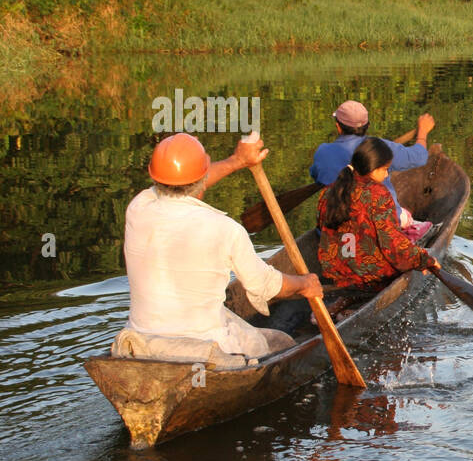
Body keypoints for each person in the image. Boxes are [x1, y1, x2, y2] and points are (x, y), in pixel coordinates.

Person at [112, 132, 324, 367]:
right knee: (282, 343)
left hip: (139, 342)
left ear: (155, 178)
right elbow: (264, 286)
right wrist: (306, 283)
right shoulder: (226, 229)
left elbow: (182, 182)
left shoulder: (138, 207)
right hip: (204, 351)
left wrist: (238, 161)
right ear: (202, 178)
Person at [316, 137, 441, 289]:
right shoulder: (377, 195)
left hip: (335, 272)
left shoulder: (329, 191)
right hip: (371, 277)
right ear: (373, 169)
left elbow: (322, 232)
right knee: (398, 256)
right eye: (384, 169)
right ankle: (351, 301)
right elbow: (393, 245)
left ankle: (343, 302)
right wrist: (423, 259)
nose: (387, 175)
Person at [310, 100, 437, 242]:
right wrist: (422, 133)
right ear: (368, 126)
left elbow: (317, 176)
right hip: (372, 225)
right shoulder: (378, 147)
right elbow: (419, 157)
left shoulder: (322, 152)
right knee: (404, 215)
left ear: (338, 127)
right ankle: (409, 233)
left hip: (336, 226)